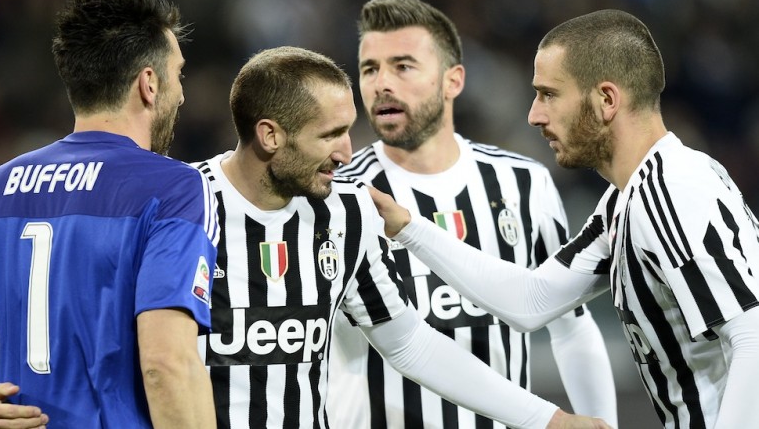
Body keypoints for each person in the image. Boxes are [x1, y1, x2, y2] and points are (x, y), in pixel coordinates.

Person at [368, 9, 759, 429]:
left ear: (606, 100)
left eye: (549, 94)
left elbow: (753, 336)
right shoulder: (627, 200)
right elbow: (531, 300)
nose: (535, 115)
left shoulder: (672, 190)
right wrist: (407, 226)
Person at [192, 45, 610, 429]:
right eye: (329, 135)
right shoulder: (184, 205)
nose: (346, 153)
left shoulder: (347, 212)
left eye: (347, 131)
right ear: (270, 135)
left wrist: (549, 420)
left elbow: (410, 342)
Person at [327, 0, 617, 429]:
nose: (381, 83)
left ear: (453, 81)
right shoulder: (338, 196)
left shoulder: (524, 183)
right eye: (370, 69)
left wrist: (603, 422)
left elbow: (571, 327)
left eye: (403, 66)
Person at [0, 0, 218, 428]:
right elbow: (166, 364)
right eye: (179, 74)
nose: (182, 94)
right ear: (149, 84)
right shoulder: (174, 188)